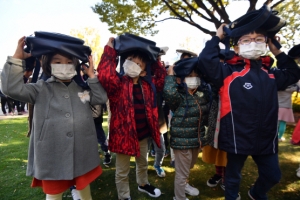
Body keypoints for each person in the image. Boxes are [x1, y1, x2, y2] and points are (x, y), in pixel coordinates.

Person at [198, 21, 300, 200]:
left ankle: (256, 193)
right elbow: (206, 60)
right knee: (232, 178)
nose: (253, 42)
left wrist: (277, 51)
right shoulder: (227, 72)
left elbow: (293, 73)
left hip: (266, 138)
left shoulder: (272, 74)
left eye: (258, 39)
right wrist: (217, 37)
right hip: (237, 137)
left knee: (273, 176)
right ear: (236, 47)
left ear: (266, 44)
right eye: (247, 39)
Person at [1, 36, 108, 200]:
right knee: (54, 194)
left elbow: (99, 98)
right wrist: (17, 58)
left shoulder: (81, 91)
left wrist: (91, 75)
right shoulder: (40, 89)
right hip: (52, 155)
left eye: (68, 62)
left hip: (81, 153)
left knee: (85, 190)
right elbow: (10, 88)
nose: (64, 66)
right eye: (57, 62)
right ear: (48, 65)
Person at [97, 36, 166, 200]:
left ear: (143, 70)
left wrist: (155, 59)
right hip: (123, 137)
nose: (132, 64)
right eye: (129, 60)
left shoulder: (148, 86)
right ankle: (124, 196)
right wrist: (110, 50)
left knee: (142, 163)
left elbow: (162, 78)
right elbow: (105, 75)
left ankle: (143, 184)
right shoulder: (117, 85)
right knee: (122, 171)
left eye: (138, 63)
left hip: (143, 135)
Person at [163, 58, 209, 200]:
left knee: (188, 167)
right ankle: (179, 197)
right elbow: (169, 93)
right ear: (181, 79)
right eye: (189, 76)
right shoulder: (179, 96)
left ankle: (185, 185)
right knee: (182, 173)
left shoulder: (201, 94)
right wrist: (170, 75)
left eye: (196, 76)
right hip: (182, 141)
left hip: (196, 140)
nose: (193, 79)